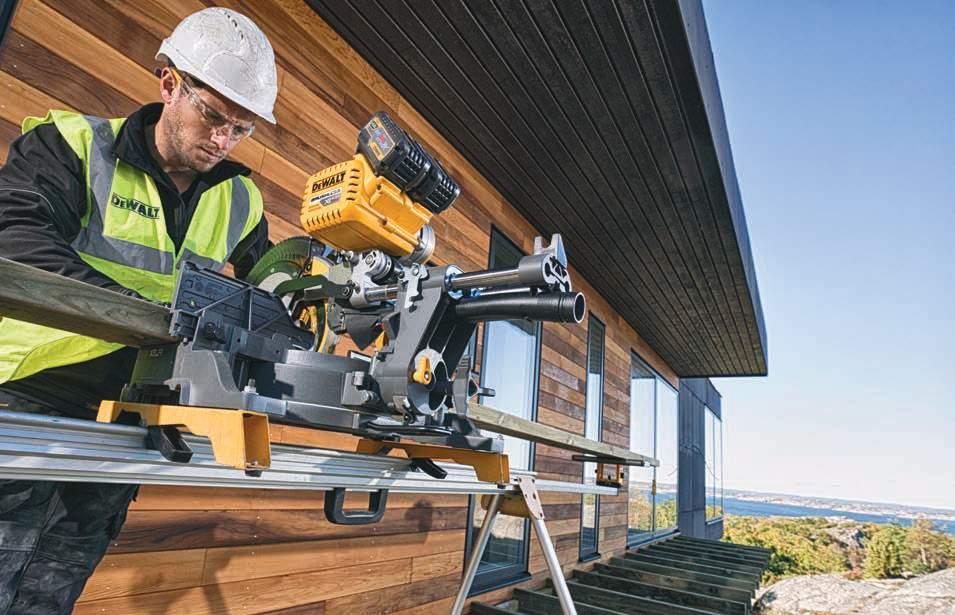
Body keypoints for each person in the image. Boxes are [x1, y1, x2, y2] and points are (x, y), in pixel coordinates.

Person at [0, 8, 278, 613]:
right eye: (212, 116)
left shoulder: (240, 198)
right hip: (31, 398)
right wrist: (148, 314)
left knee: (53, 589)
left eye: (241, 128)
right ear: (169, 83)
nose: (222, 140)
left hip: (128, 419)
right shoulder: (72, 144)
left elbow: (272, 292)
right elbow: (14, 234)